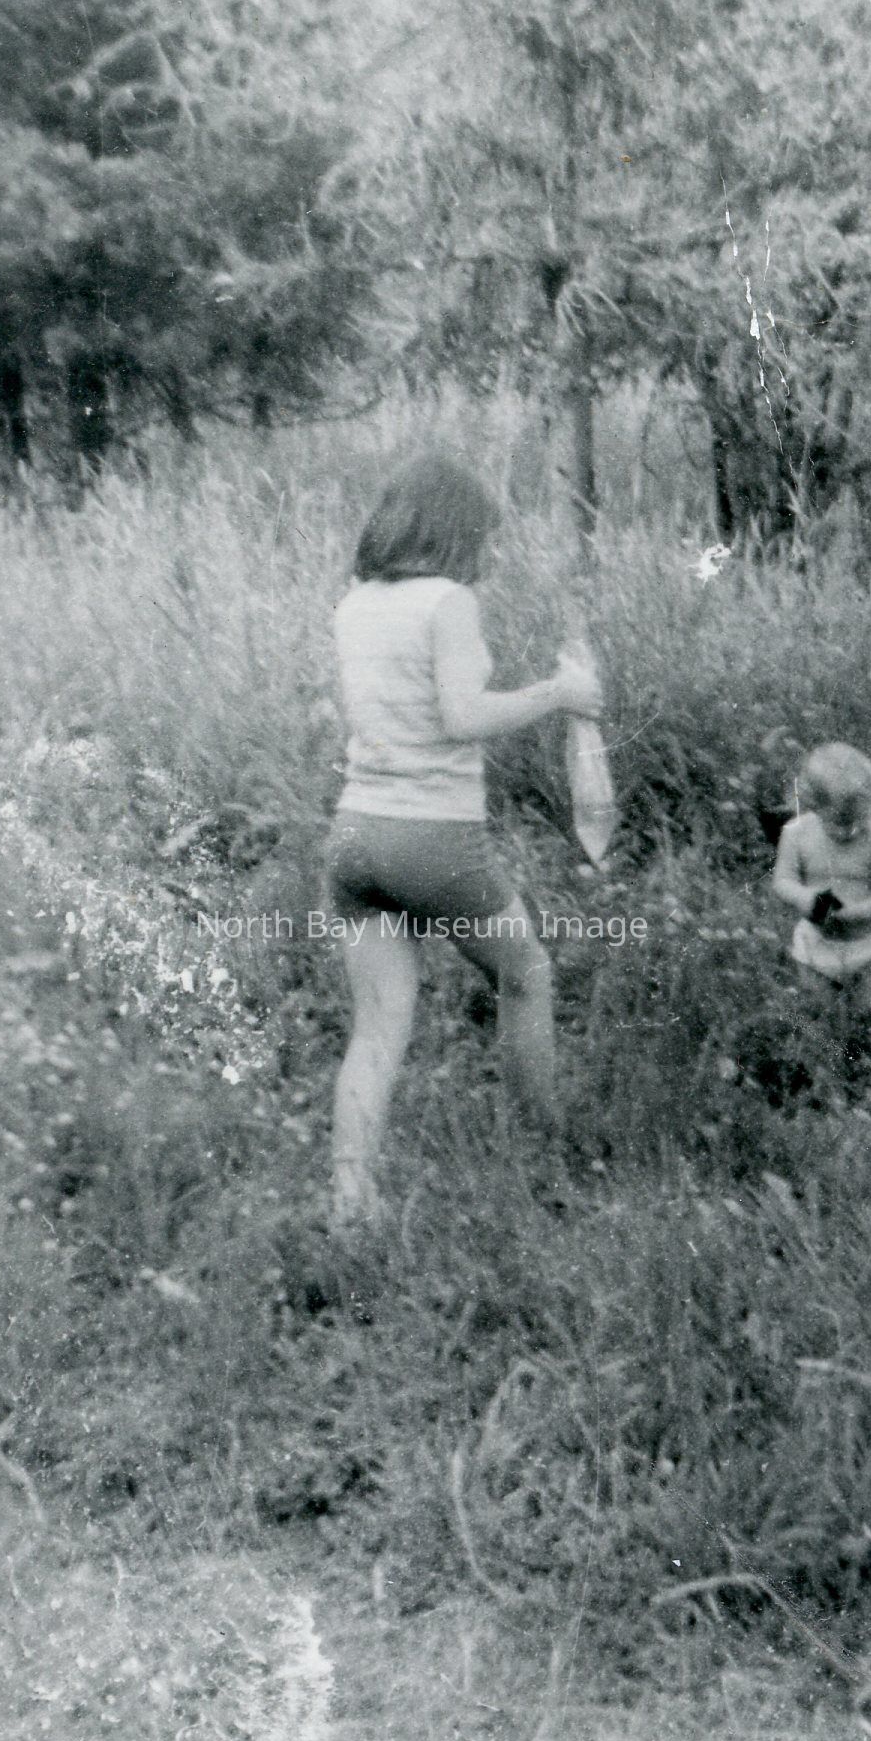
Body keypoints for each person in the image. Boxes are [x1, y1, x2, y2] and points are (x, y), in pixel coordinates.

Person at [325, 449, 602, 1231]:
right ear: (453, 530)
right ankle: (544, 1165)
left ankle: (349, 1203)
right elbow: (462, 716)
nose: (488, 550)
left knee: (377, 1026)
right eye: (483, 534)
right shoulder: (447, 600)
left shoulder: (353, 604)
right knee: (526, 973)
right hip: (432, 838)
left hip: (353, 835)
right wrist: (558, 692)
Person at [771, 741, 871, 1092]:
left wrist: (857, 913)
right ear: (813, 806)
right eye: (839, 822)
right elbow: (783, 881)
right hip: (818, 942)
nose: (850, 831)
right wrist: (807, 899)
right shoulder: (796, 835)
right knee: (819, 1015)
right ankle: (828, 1080)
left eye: (859, 820)